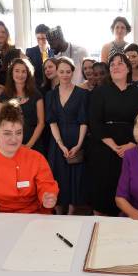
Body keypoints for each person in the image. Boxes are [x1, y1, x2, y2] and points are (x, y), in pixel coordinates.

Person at [89, 52, 138, 216]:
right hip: (104, 148)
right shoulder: (100, 92)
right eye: (112, 64)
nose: (115, 66)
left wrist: (133, 144)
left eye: (120, 63)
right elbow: (94, 122)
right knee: (103, 194)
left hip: (131, 149)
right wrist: (113, 146)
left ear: (128, 68)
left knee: (128, 194)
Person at [46, 57, 89, 215]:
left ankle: (71, 214)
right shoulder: (50, 95)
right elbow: (52, 122)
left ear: (73, 72)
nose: (65, 75)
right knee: (57, 176)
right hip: (57, 142)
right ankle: (58, 213)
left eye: (68, 71)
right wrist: (60, 144)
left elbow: (84, 121)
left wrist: (78, 145)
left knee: (74, 178)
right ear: (57, 72)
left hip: (77, 139)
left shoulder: (83, 94)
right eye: (61, 71)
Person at [0, 58, 45, 154]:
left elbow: (41, 123)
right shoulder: (4, 96)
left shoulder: (36, 95)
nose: (20, 74)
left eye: (24, 71)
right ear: (11, 73)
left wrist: (29, 145)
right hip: (10, 144)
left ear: (28, 74)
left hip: (33, 144)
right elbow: (1, 122)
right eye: (17, 71)